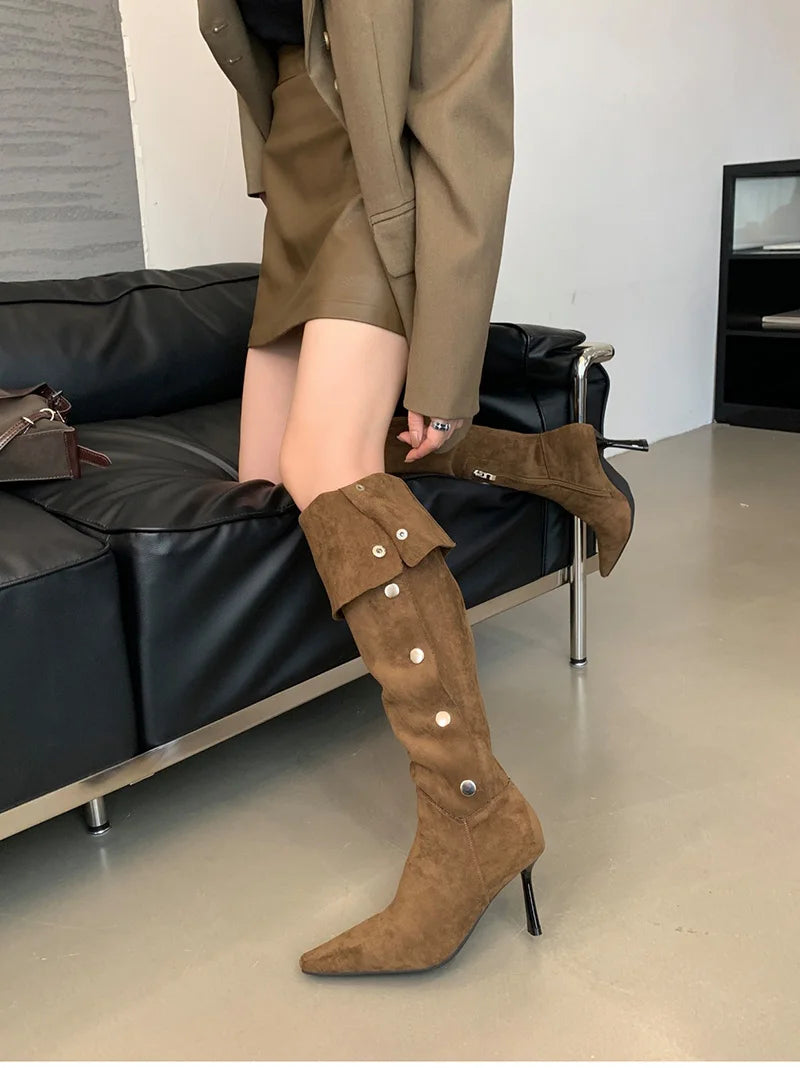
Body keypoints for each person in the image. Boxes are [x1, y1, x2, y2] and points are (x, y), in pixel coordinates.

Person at [198, 0, 644, 977]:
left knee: (331, 466)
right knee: (272, 483)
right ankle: (550, 460)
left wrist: (442, 368)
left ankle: (470, 814)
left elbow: (463, 117)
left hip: (375, 181)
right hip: (294, 183)